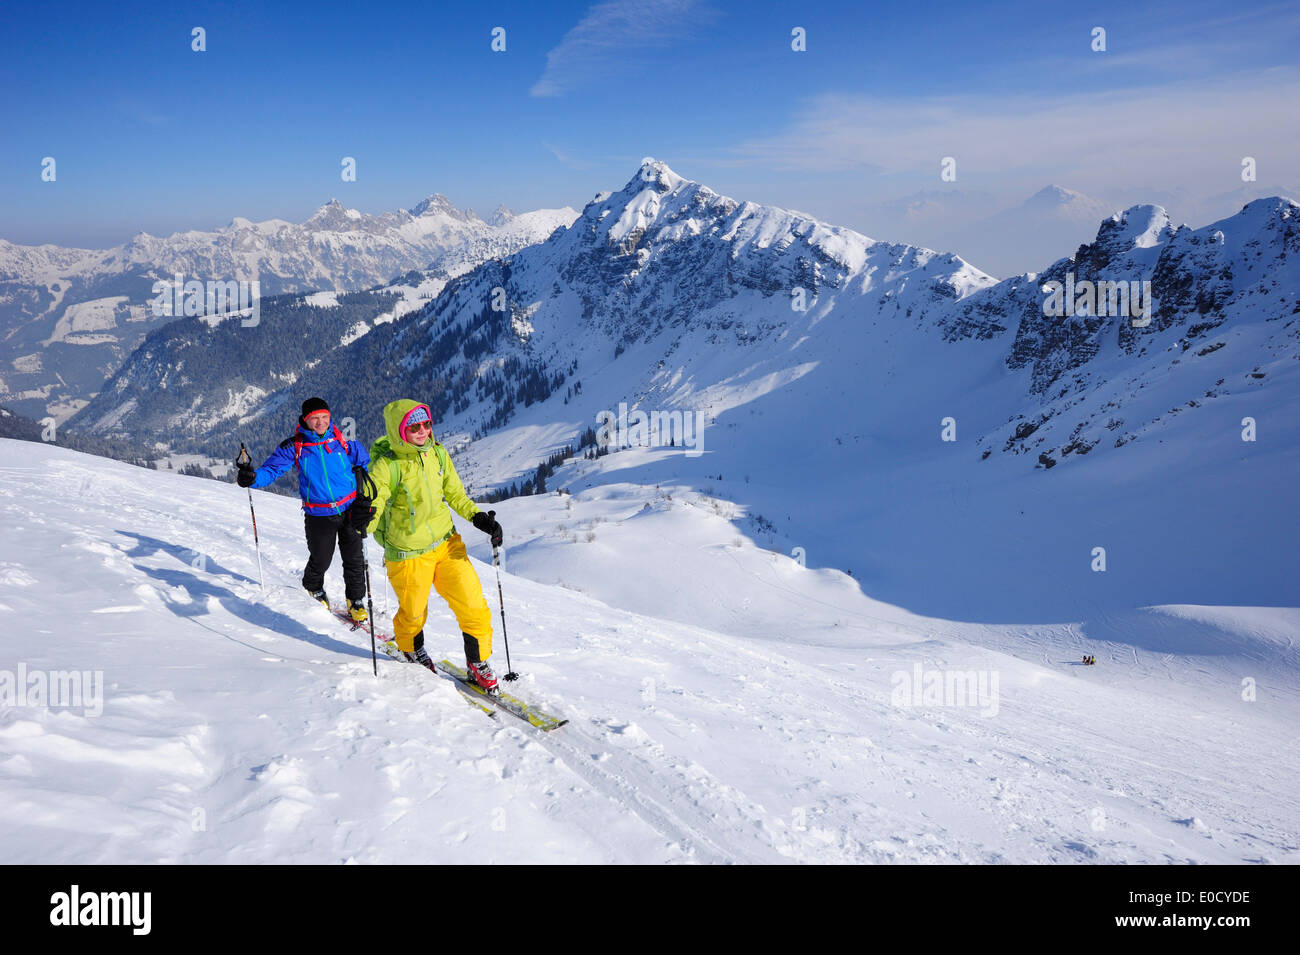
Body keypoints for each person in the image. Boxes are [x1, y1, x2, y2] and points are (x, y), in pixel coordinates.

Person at [364, 399, 504, 691]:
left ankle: (477, 662)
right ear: (399, 430)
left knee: (473, 603)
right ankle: (411, 648)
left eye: (426, 424)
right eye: (414, 427)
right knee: (413, 612)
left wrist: (479, 518)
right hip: (408, 552)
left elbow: (455, 494)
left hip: (446, 543)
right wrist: (362, 521)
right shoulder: (387, 465)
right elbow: (374, 501)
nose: (423, 431)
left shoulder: (438, 455)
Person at [236, 397, 373, 621]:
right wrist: (252, 477)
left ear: (330, 417)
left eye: (325, 417)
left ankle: (355, 599)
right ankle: (314, 586)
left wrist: (365, 499)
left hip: (350, 509)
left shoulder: (343, 440)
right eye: (314, 418)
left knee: (354, 558)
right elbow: (271, 470)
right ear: (305, 420)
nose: (320, 423)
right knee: (321, 558)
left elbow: (363, 465)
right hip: (319, 514)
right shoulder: (295, 445)